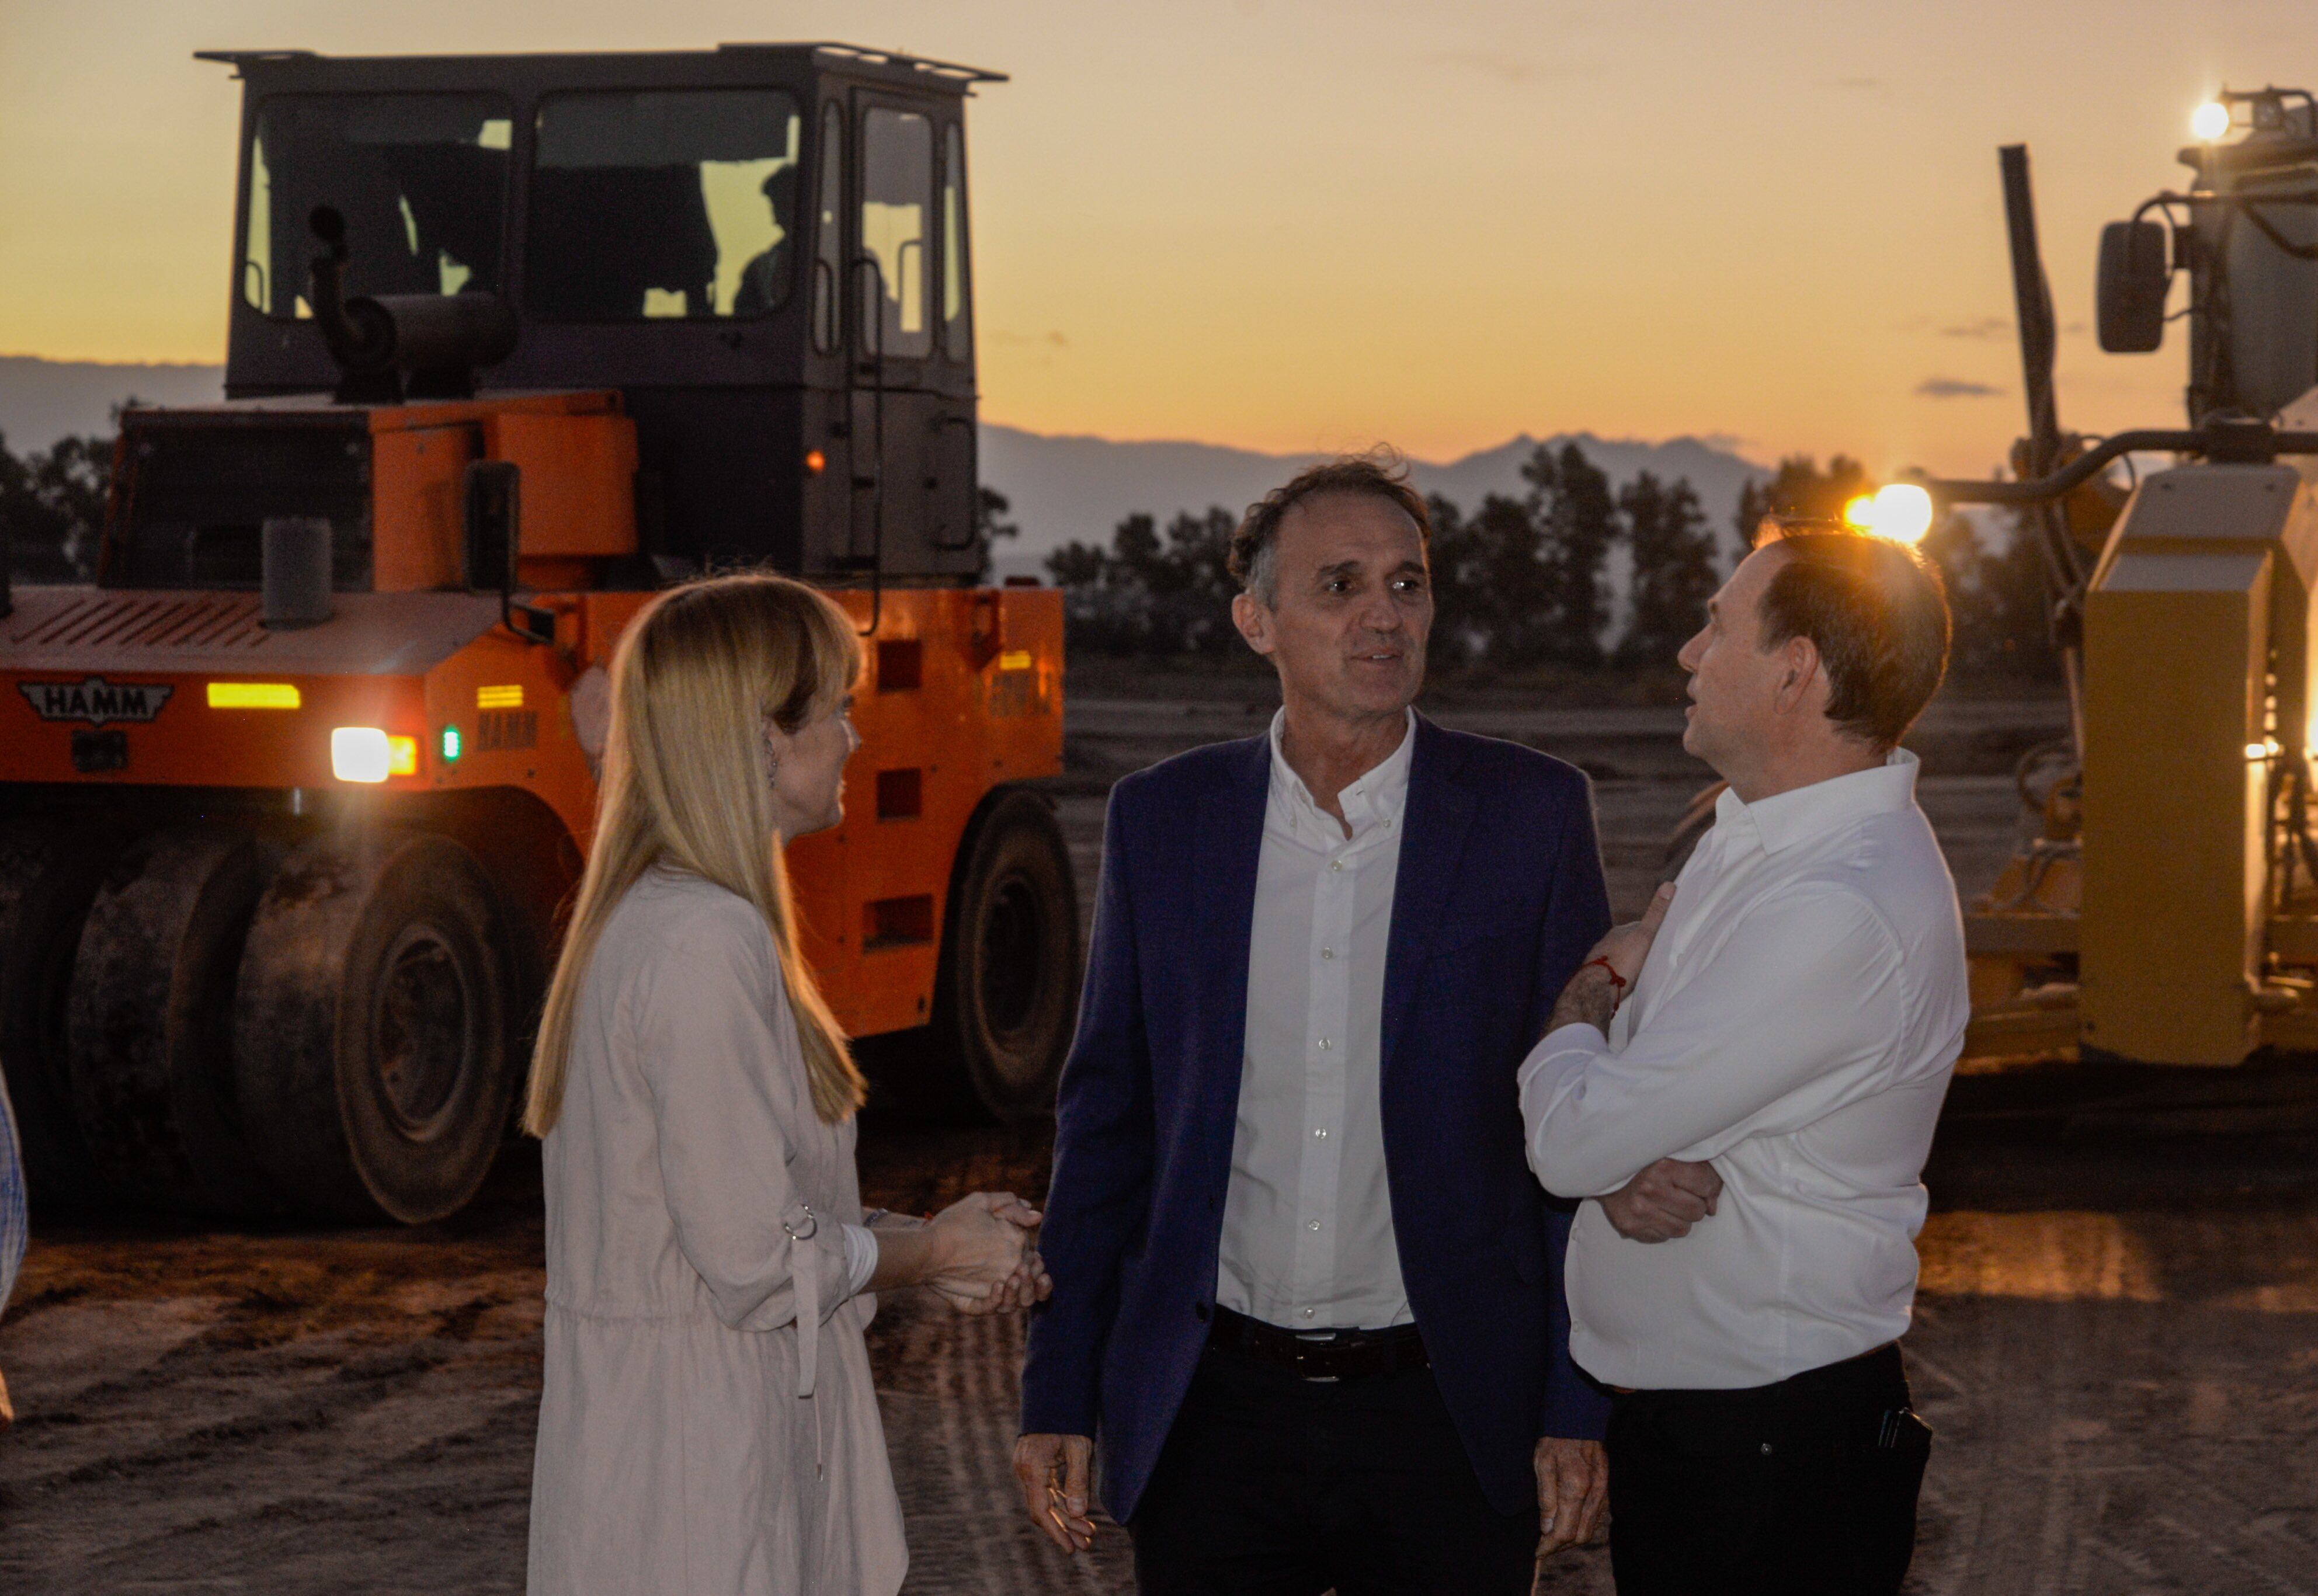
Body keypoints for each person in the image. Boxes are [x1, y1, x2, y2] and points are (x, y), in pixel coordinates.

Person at [1017, 454, 1614, 1594]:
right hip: (1211, 1415)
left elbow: (1574, 1131)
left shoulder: (1530, 816)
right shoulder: (1164, 820)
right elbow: (1107, 1124)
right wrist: (1057, 1390)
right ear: (1256, 620)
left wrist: (1572, 1403)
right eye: (1338, 583)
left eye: (1407, 582)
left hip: (1449, 1414)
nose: (1382, 614)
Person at [523, 573, 1048, 1596]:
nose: (855, 737)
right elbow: (755, 1258)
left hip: (673, 1455)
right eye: (838, 710)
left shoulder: (670, 917)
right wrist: (937, 1247)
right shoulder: (702, 940)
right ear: (763, 739)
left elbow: (748, 1215)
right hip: (702, 1480)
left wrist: (930, 1253)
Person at [1518, 528, 1966, 1595]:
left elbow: (1570, 1136)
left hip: (1772, 1462)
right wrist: (1621, 1151)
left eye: (1715, 624)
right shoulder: (1756, 836)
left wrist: (1581, 997)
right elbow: (1643, 1101)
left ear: (1793, 669)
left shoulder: (1833, 905)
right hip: (1724, 1439)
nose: (1685, 652)